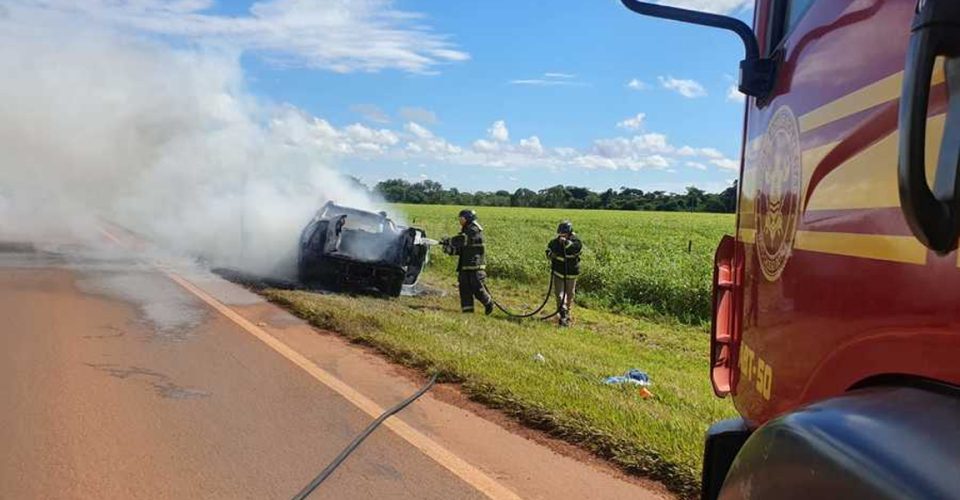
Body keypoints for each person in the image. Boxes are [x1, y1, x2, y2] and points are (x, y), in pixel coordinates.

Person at [443, 209, 494, 315]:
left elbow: (462, 240)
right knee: (464, 289)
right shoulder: (466, 230)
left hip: (475, 265)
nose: (460, 220)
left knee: (477, 288)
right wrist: (449, 250)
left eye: (461, 218)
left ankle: (488, 303)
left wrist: (449, 241)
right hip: (465, 265)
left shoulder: (474, 229)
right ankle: (468, 312)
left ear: (468, 218)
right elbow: (462, 249)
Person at [546, 221, 582, 326]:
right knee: (559, 295)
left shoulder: (577, 242)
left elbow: (573, 248)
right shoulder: (554, 242)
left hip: (571, 273)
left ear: (569, 233)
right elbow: (549, 250)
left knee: (570, 294)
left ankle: (567, 313)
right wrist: (550, 254)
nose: (561, 236)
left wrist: (565, 243)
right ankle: (562, 314)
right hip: (558, 272)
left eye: (564, 234)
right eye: (560, 233)